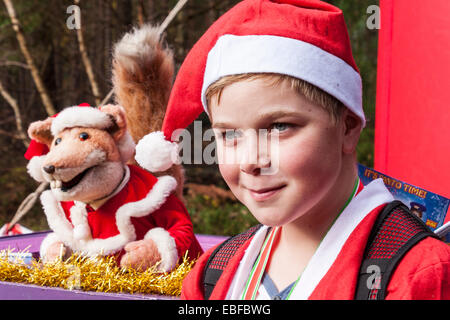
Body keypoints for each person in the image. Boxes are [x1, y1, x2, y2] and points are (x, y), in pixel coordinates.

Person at [157, 0, 450, 299]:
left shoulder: (418, 276)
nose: (250, 161)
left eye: (279, 126)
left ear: (348, 128)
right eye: (230, 134)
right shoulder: (211, 275)